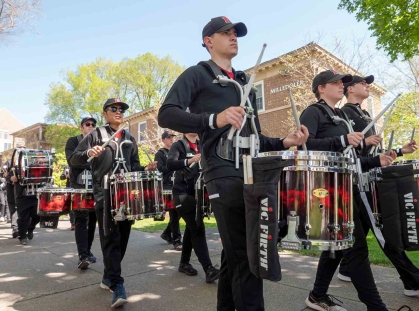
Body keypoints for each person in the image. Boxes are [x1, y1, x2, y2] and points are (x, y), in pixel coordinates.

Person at [158, 16, 308, 311]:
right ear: (208, 41)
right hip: (222, 171)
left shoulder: (244, 83)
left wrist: (284, 142)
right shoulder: (198, 74)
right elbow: (166, 114)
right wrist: (213, 119)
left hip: (252, 174)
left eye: (235, 33)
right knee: (248, 257)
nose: (233, 37)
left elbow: (256, 138)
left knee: (235, 255)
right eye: (225, 33)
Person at [300, 69, 398, 311]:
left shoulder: (341, 120)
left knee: (336, 247)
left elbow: (352, 160)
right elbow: (305, 145)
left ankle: (316, 295)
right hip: (326, 188)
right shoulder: (313, 112)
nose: (341, 86)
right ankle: (377, 307)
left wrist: (378, 161)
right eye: (335, 82)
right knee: (356, 250)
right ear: (321, 88)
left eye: (342, 83)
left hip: (347, 185)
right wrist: (342, 140)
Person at [70, 98, 157, 308]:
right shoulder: (95, 134)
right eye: (114, 109)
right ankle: (118, 285)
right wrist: (89, 152)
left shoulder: (129, 137)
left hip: (126, 194)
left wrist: (145, 169)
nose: (119, 112)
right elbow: (74, 158)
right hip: (104, 192)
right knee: (110, 238)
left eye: (122, 110)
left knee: (123, 239)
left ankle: (109, 277)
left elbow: (134, 166)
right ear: (105, 112)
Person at [338, 75, 419, 297]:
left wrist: (400, 151)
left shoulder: (364, 114)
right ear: (350, 88)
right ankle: (413, 281)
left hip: (372, 180)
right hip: (359, 181)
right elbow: (348, 151)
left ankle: (345, 268)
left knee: (360, 231)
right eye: (363, 83)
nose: (367, 86)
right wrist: (364, 142)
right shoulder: (345, 115)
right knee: (383, 230)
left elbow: (375, 155)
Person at [167, 133, 220, 282]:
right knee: (197, 227)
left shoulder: (202, 144)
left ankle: (184, 263)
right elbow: (170, 164)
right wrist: (189, 160)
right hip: (181, 193)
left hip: (197, 193)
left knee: (192, 228)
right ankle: (208, 269)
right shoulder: (178, 145)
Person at [65, 117, 98, 269]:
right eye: (88, 124)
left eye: (93, 125)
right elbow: (72, 161)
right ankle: (82, 256)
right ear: (81, 127)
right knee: (81, 219)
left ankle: (87, 251)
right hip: (78, 184)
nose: (91, 126)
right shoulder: (73, 141)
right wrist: (89, 159)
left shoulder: (98, 143)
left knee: (92, 220)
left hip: (95, 185)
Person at [155, 130, 183, 250]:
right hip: (166, 185)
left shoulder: (176, 152)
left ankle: (167, 233)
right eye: (169, 137)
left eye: (172, 137)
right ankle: (177, 240)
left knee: (179, 211)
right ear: (163, 140)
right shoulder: (160, 154)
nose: (171, 139)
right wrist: (171, 165)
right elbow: (160, 169)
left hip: (177, 183)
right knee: (174, 212)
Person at [10, 148, 41, 245]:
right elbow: (7, 175)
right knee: (23, 218)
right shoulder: (14, 166)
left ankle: (30, 228)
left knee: (37, 216)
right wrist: (12, 178)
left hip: (34, 194)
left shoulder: (35, 164)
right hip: (21, 195)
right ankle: (22, 236)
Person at [3, 160, 18, 238]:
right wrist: (10, 178)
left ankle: (27, 227)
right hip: (11, 187)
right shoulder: (10, 161)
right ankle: (15, 228)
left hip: (23, 188)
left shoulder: (27, 159)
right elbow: (5, 174)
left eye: (23, 146)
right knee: (13, 207)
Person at [60, 165, 75, 230]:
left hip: (78, 187)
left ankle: (77, 223)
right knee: (70, 206)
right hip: (69, 188)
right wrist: (66, 176)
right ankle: (73, 223)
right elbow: (61, 177)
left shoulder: (82, 164)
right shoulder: (67, 167)